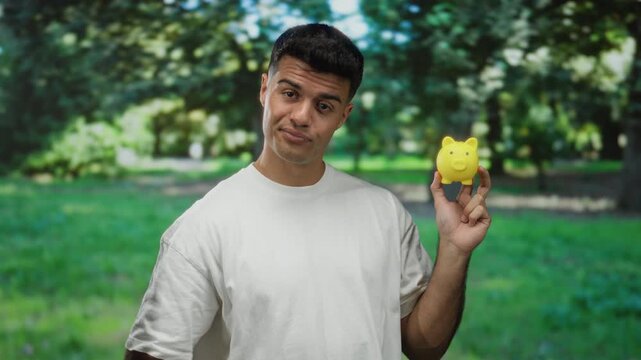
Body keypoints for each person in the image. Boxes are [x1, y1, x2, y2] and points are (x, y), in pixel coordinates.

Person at [124, 23, 491, 360]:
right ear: (265, 89)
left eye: (324, 105)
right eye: (290, 92)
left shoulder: (383, 212)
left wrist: (455, 250)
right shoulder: (205, 226)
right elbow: (153, 352)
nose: (302, 115)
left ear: (342, 117)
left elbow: (422, 347)